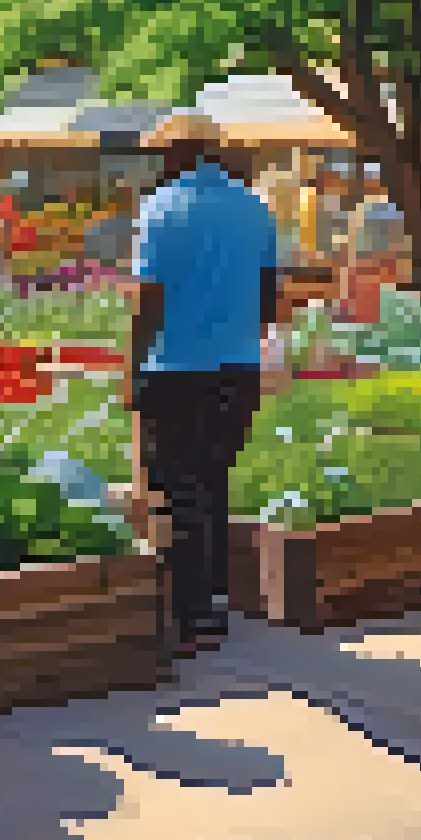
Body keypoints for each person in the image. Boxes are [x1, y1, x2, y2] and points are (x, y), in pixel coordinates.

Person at [125, 113, 280, 660]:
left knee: (177, 487)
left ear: (177, 156)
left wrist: (132, 368)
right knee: (213, 482)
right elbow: (268, 296)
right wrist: (251, 352)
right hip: (236, 369)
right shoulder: (254, 208)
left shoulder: (161, 209)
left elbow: (149, 297)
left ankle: (194, 614)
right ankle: (212, 598)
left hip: (175, 368)